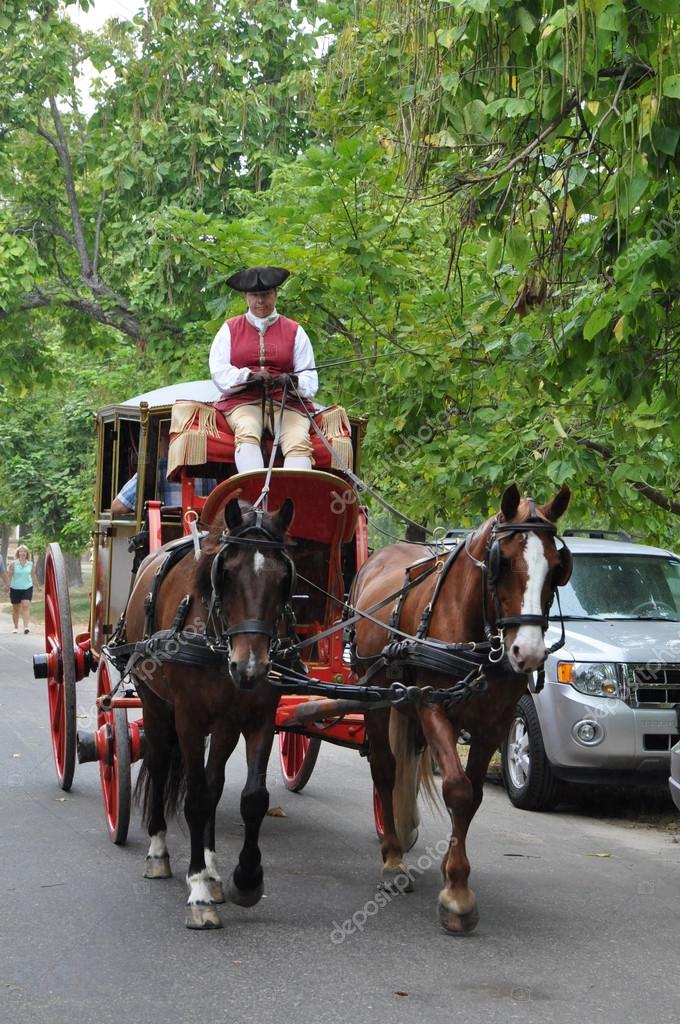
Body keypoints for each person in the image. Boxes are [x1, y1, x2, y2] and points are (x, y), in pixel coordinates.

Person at [209, 265, 318, 473]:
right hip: (243, 402)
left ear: (275, 295)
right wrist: (249, 376)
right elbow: (219, 371)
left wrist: (294, 382)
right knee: (247, 431)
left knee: (297, 440)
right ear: (246, 297)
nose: (260, 301)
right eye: (254, 295)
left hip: (287, 403)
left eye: (266, 294)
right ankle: (256, 500)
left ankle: (292, 501)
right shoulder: (229, 329)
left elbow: (309, 375)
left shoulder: (295, 330)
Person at [6, 544, 40, 634]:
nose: (23, 553)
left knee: (25, 605)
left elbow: (33, 575)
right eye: (21, 551)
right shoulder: (13, 564)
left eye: (24, 551)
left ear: (27, 553)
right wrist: (7, 586)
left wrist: (37, 586)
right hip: (15, 588)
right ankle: (16, 627)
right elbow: (9, 576)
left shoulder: (30, 564)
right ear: (18, 553)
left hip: (27, 587)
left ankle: (26, 627)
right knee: (16, 608)